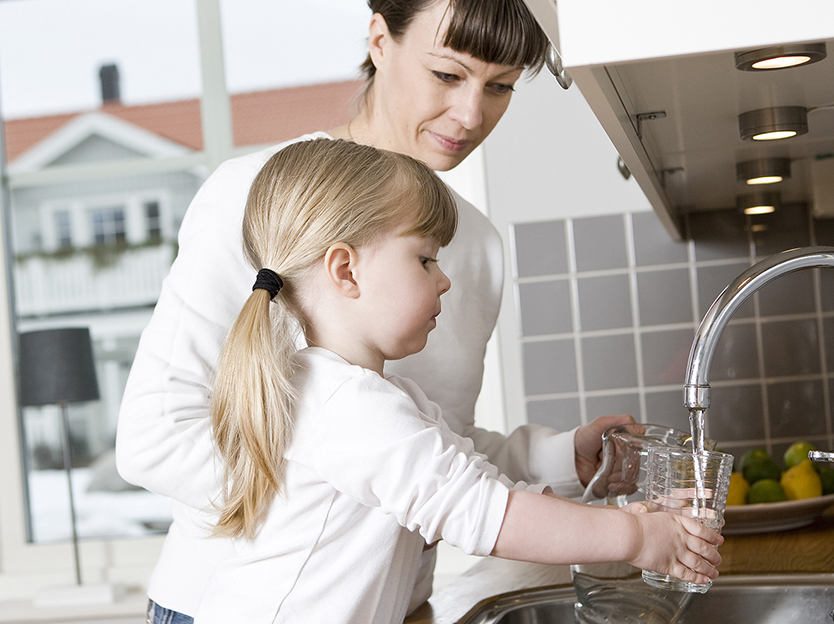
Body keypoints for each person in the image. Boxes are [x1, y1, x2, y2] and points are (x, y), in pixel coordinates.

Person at [115, 1, 632, 621]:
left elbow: (422, 445)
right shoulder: (261, 197)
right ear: (380, 40)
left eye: (499, 87)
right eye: (447, 74)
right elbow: (157, 438)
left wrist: (560, 457)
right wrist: (346, 504)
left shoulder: (474, 244)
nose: (471, 114)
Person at [190, 138, 721, 624]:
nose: (444, 280)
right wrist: (634, 535)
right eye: (425, 259)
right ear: (346, 270)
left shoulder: (366, 395)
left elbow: (485, 490)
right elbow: (485, 514)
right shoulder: (346, 404)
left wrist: (618, 502)